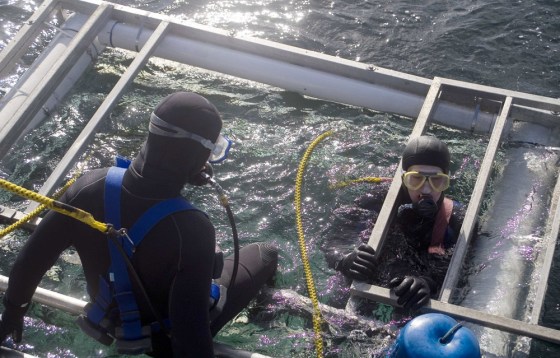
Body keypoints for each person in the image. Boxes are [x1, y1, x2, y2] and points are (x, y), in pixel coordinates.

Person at [0, 92, 278, 357]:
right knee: (266, 252)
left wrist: (13, 313)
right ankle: (265, 310)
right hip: (163, 343)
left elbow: (30, 262)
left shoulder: (87, 188)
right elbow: (189, 334)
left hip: (107, 322)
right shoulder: (193, 229)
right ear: (199, 159)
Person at [325, 135, 465, 310]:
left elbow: (466, 268)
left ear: (446, 181)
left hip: (411, 283)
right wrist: (344, 259)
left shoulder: (455, 217)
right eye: (416, 179)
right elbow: (337, 236)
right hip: (375, 269)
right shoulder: (377, 199)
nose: (426, 189)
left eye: (437, 180)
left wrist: (429, 283)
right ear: (404, 178)